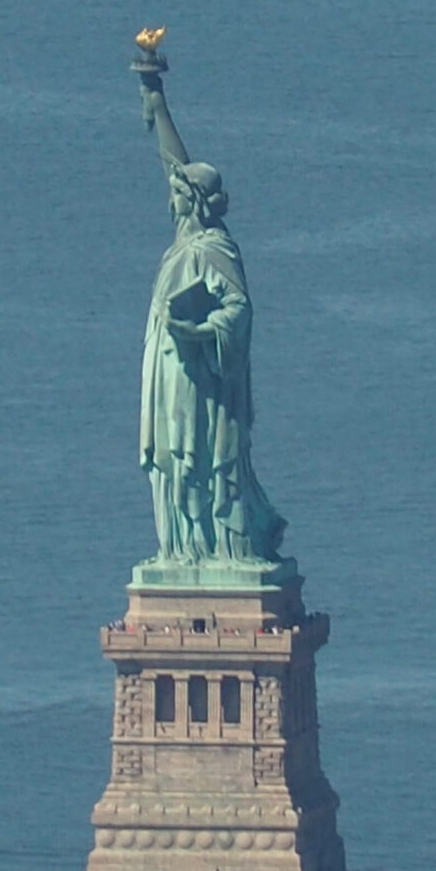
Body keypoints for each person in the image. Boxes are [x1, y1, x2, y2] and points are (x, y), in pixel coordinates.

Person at [131, 50, 285, 572]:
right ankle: (179, 549)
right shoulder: (187, 235)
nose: (170, 198)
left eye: (178, 194)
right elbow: (174, 162)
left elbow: (239, 308)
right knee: (173, 465)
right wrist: (156, 98)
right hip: (172, 369)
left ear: (195, 201)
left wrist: (197, 329)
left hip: (199, 378)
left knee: (195, 459)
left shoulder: (212, 249)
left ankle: (212, 547)